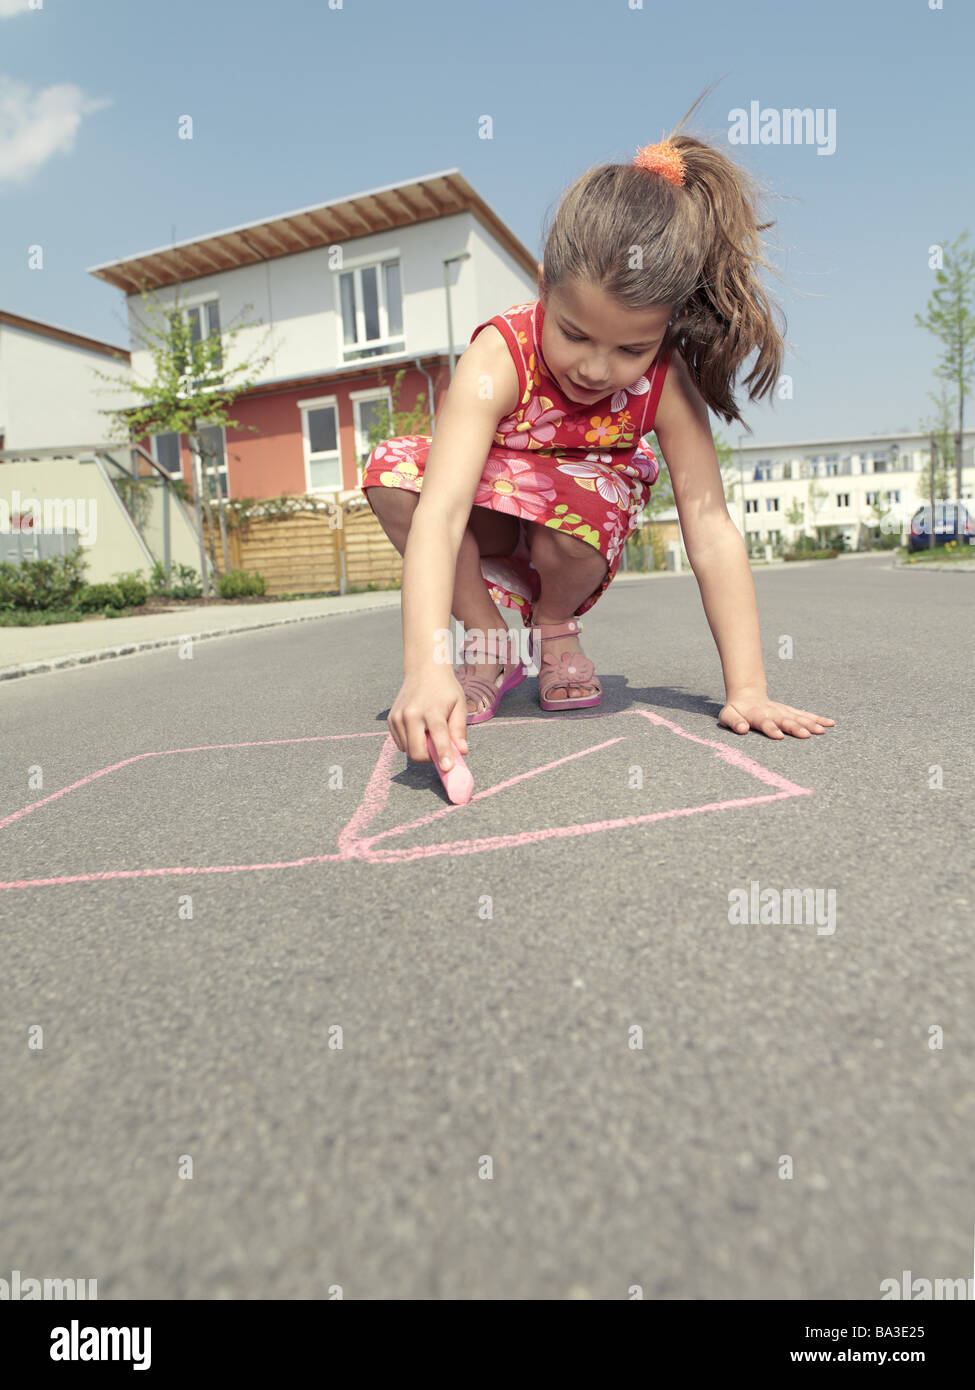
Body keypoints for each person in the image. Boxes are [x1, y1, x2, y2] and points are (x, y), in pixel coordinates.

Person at [361, 92, 835, 774]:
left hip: (573, 539)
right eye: (575, 334)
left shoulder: (665, 384)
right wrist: (425, 667)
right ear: (545, 286)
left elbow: (708, 525)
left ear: (665, 328)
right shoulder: (500, 355)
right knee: (394, 469)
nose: (594, 367)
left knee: (578, 494)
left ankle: (553, 630)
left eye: (629, 350)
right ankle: (490, 639)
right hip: (490, 519)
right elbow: (439, 511)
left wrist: (748, 689)